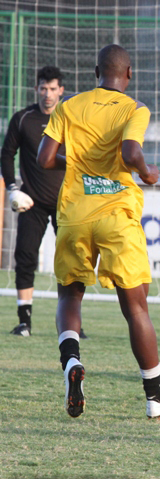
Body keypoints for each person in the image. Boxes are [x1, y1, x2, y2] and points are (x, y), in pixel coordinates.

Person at [37, 44, 160, 419]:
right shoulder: (134, 108)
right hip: (117, 216)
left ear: (95, 71)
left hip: (75, 214)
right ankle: (154, 396)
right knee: (136, 307)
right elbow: (131, 152)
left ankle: (71, 361)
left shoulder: (69, 106)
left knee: (69, 296)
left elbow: (44, 159)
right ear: (128, 74)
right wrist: (147, 172)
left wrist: (80, 161)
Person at [0, 66, 87, 339]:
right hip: (33, 202)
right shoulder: (23, 119)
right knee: (25, 257)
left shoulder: (73, 118)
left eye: (52, 89)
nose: (47, 94)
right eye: (43, 88)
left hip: (68, 204)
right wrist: (12, 188)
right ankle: (24, 322)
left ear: (61, 90)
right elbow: (6, 155)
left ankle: (75, 324)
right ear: (36, 89)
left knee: (74, 262)